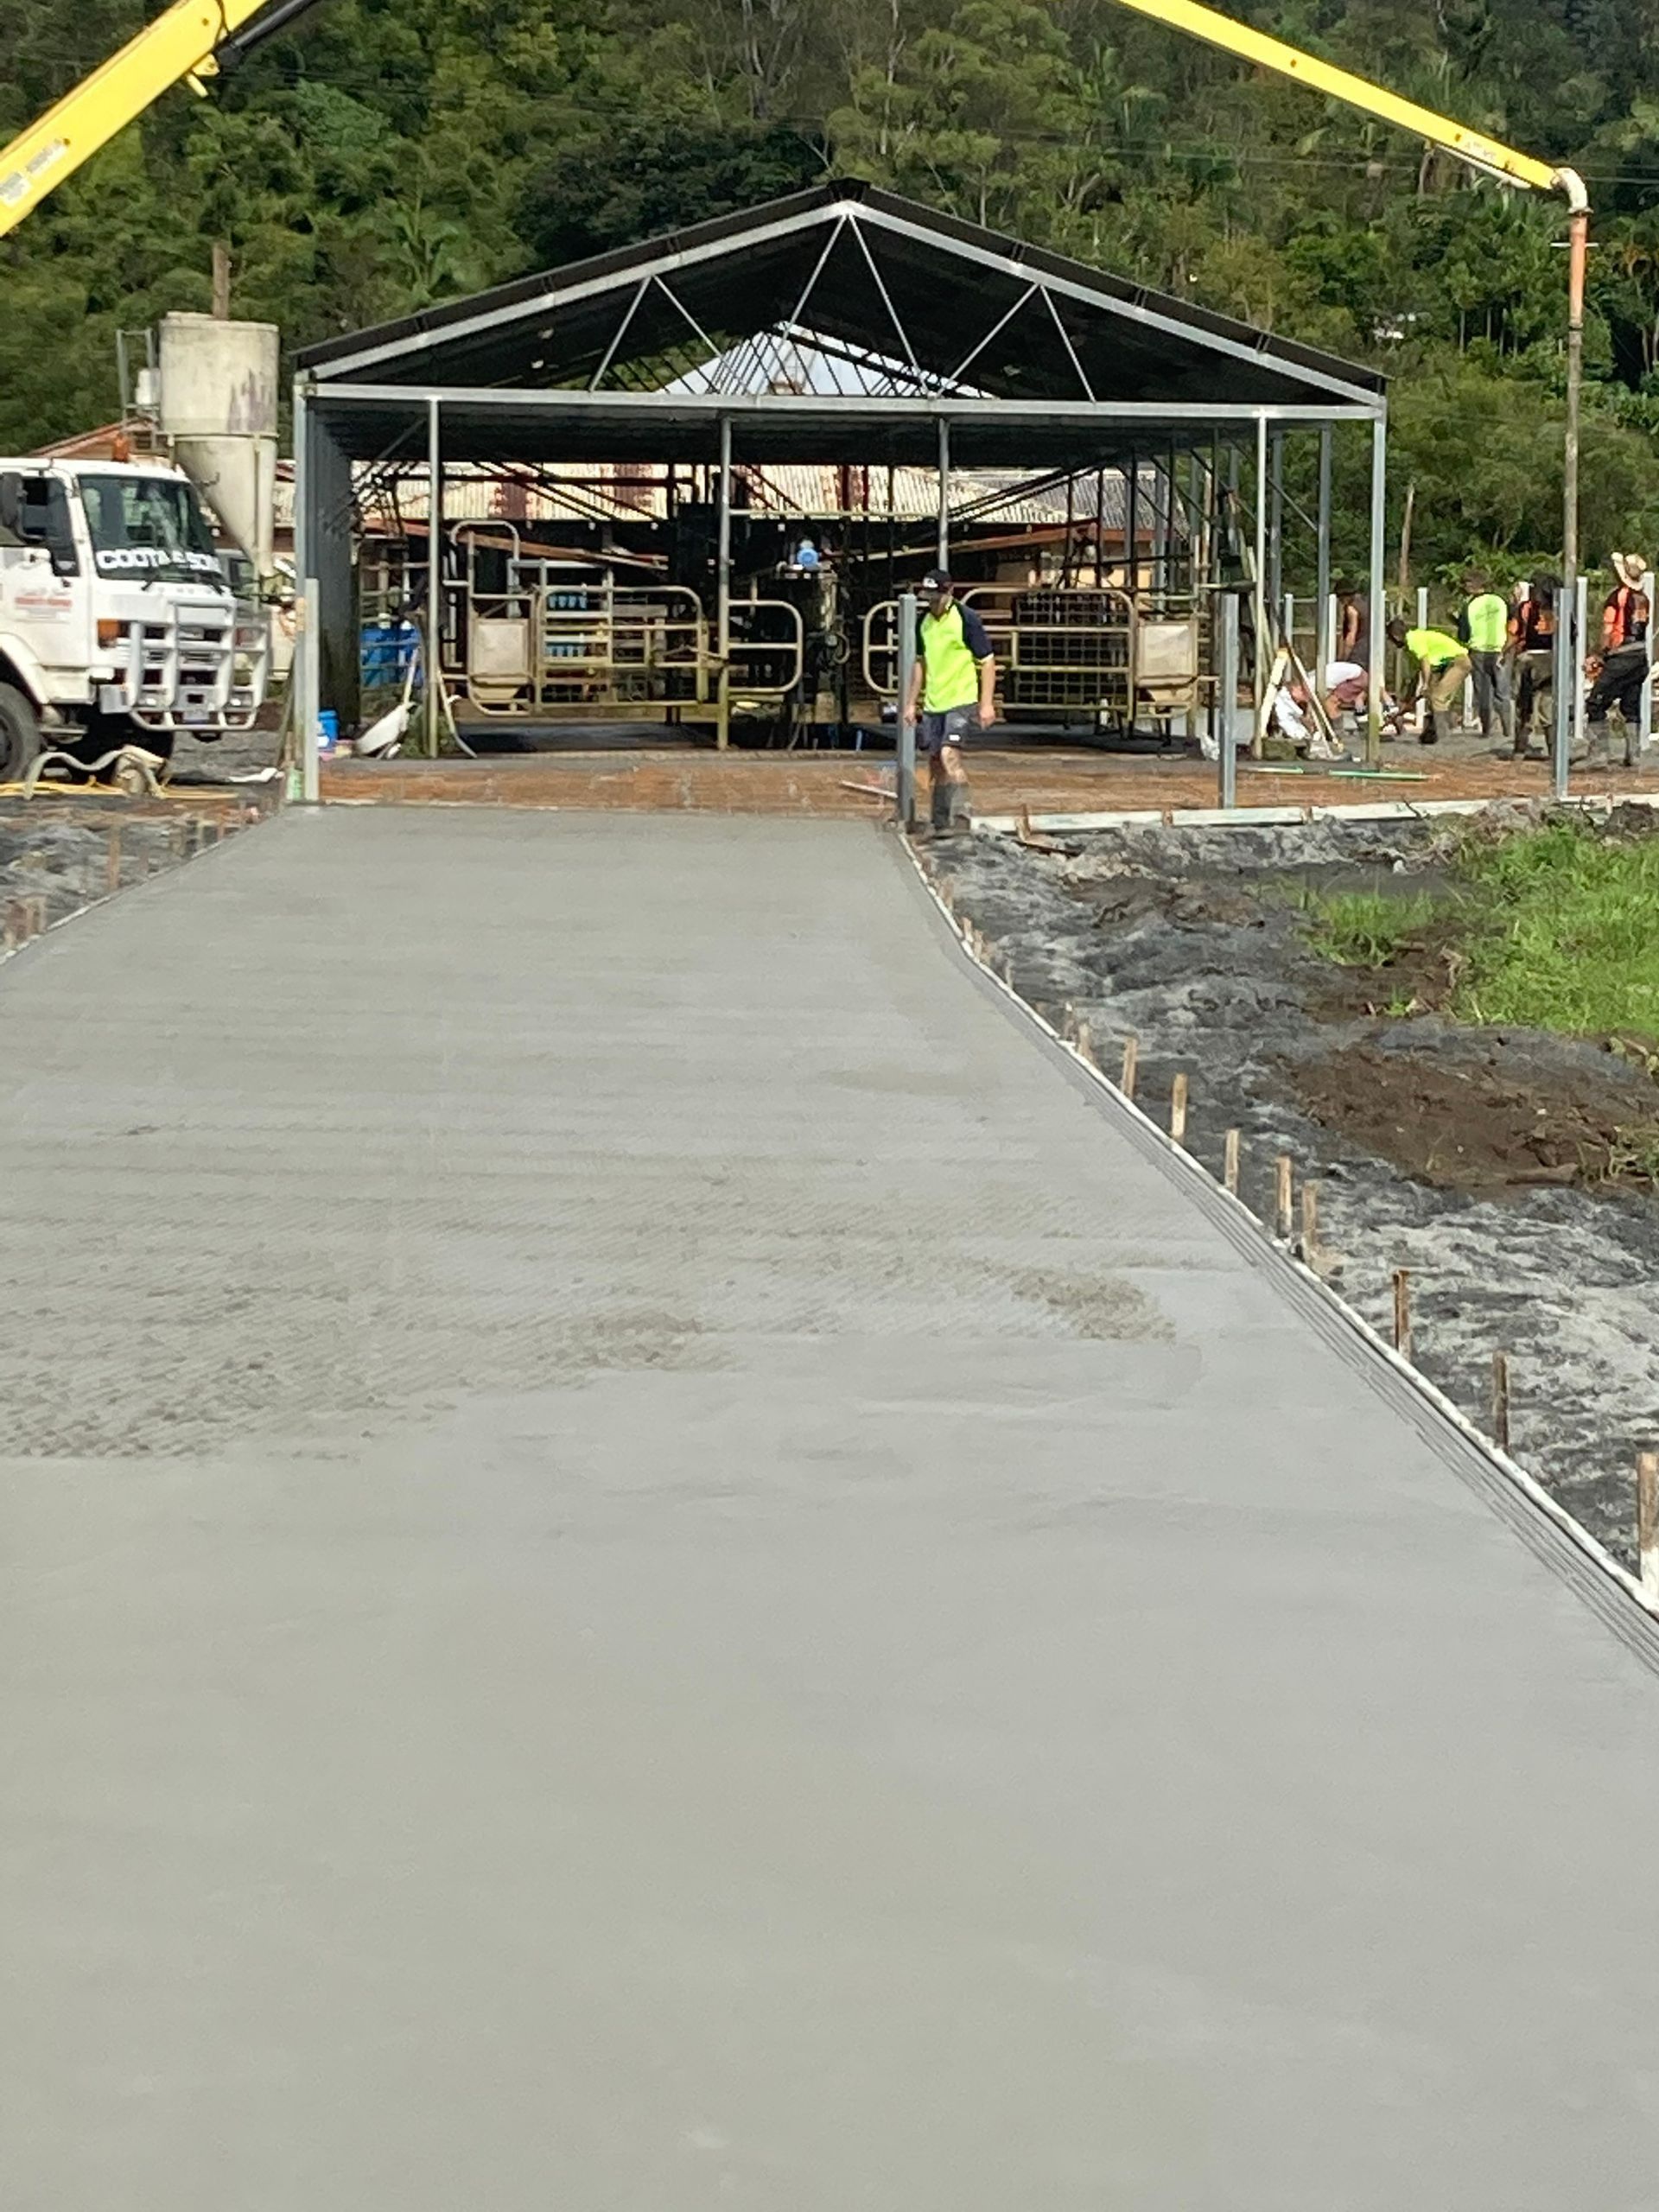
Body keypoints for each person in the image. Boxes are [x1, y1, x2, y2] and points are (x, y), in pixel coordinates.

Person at [905, 569, 996, 835]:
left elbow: (987, 660)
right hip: (935, 701)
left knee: (949, 754)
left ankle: (962, 813)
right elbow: (921, 664)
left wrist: (986, 703)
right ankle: (941, 819)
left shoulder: (966, 619)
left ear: (949, 592)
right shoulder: (923, 623)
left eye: (937, 596)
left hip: (961, 698)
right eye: (929, 596)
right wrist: (912, 702)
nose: (933, 602)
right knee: (935, 760)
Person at [1387, 616, 1469, 747]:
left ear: (1395, 636)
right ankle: (1438, 730)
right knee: (1433, 697)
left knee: (1437, 697)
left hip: (1456, 662)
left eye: (1390, 639)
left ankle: (1443, 737)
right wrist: (1409, 700)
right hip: (1444, 665)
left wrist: (1425, 684)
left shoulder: (1414, 640)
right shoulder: (1414, 643)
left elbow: (1425, 662)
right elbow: (1416, 675)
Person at [1460, 569, 1513, 746]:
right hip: (1500, 650)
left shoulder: (1469, 605)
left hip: (1478, 651)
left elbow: (1463, 634)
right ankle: (1507, 730)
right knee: (1503, 691)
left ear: (1470, 586)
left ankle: (1487, 730)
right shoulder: (1500, 601)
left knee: (1483, 691)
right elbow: (1511, 622)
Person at [1511, 575, 1557, 753]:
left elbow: (1515, 632)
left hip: (1529, 657)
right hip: (1550, 658)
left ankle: (1520, 749)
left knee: (1524, 703)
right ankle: (1553, 749)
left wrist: (1505, 651)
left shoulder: (1525, 608)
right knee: (1547, 703)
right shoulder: (1560, 608)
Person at [1602, 552, 1649, 655]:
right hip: (1640, 651)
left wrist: (1603, 650)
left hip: (1621, 650)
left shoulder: (1617, 596)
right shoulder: (1643, 598)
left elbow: (1608, 628)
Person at [1334, 579, 1370, 669]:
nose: (1340, 601)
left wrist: (1342, 660)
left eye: (1340, 597)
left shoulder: (1351, 609)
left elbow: (1351, 636)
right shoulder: (1366, 603)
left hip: (1357, 656)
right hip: (1371, 653)